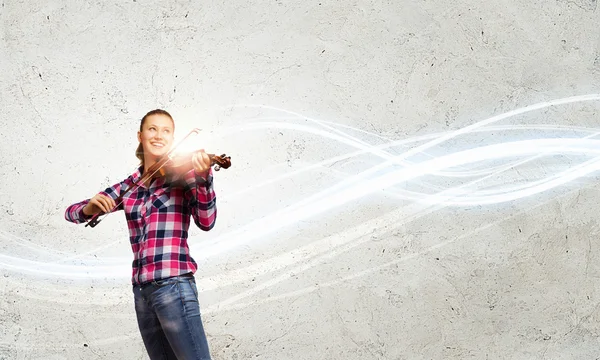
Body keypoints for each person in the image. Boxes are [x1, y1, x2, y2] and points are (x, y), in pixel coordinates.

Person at [65, 109, 215, 360]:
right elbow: (70, 212)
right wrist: (89, 208)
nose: (159, 135)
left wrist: (204, 179)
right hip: (142, 292)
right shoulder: (131, 185)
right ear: (140, 135)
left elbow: (207, 221)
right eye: (152, 129)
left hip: (174, 284)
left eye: (166, 130)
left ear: (173, 137)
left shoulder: (185, 175)